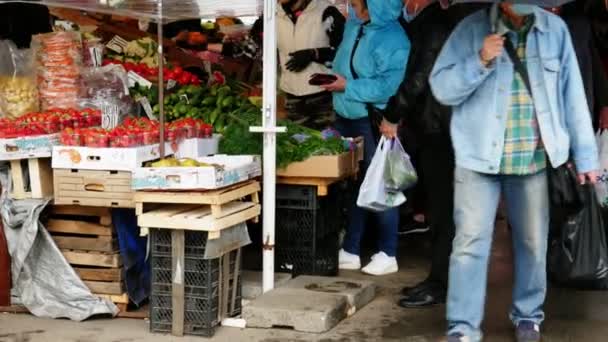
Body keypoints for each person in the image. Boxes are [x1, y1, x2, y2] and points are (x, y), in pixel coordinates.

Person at [430, 3, 599, 342]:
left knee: (533, 243)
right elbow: (442, 88)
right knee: (469, 244)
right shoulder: (469, 30)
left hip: (533, 160)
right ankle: (462, 327)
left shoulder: (555, 32)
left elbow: (573, 96)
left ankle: (528, 316)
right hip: (477, 159)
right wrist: (479, 60)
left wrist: (586, 157)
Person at [386, 0, 486, 308]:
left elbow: (420, 76)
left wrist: (393, 112)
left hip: (442, 128)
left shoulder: (436, 25)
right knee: (447, 210)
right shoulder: (457, 20)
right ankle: (443, 280)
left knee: (445, 211)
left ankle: (444, 284)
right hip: (453, 126)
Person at [322, 0, 410, 276]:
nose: (353, 9)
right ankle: (351, 248)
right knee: (355, 183)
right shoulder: (356, 26)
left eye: (359, 4)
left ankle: (388, 251)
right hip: (345, 114)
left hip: (371, 120)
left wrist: (348, 85)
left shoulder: (394, 38)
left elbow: (390, 85)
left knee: (382, 184)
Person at [277, 0, 345, 129]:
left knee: (326, 144)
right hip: (292, 95)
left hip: (323, 95)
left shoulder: (326, 11)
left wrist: (314, 53)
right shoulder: (274, 14)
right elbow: (260, 47)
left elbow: (344, 51)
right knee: (298, 142)